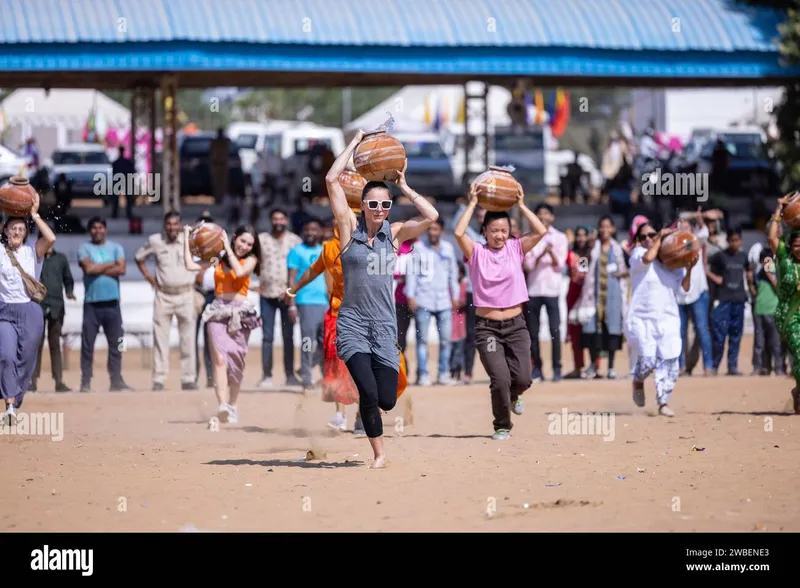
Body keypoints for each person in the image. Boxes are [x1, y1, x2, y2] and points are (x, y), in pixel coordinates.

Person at [325, 129, 438, 468]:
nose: (378, 209)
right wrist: (357, 140)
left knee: (386, 398)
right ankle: (379, 454)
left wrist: (403, 187)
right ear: (363, 206)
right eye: (372, 203)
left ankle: (374, 419)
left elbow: (431, 217)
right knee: (369, 393)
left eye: (384, 204)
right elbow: (332, 179)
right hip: (352, 325)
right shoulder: (349, 230)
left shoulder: (397, 233)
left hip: (385, 328)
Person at [453, 182, 547, 440]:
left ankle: (516, 394)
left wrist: (521, 205)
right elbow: (459, 233)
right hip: (488, 330)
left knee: (524, 377)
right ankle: (502, 425)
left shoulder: (515, 248)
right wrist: (473, 203)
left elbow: (540, 230)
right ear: (484, 231)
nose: (500, 235)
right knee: (500, 379)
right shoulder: (476, 253)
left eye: (504, 231)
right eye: (494, 231)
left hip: (516, 325)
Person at [282, 221, 368, 435]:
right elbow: (315, 272)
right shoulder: (329, 248)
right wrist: (294, 290)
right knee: (336, 365)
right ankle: (340, 415)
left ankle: (361, 416)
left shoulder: (368, 244)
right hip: (337, 315)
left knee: (362, 367)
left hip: (365, 315)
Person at [183, 225, 263, 424]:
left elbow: (240, 271)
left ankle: (233, 404)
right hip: (218, 310)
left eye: (249, 244)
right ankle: (222, 404)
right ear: (235, 238)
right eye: (242, 241)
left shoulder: (251, 260)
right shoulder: (217, 259)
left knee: (237, 362)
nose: (244, 246)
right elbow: (190, 266)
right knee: (218, 359)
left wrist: (226, 246)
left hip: (240, 313)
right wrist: (186, 237)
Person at [626, 223, 694, 416]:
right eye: (643, 236)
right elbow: (648, 258)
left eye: (652, 234)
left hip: (668, 317)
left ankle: (663, 401)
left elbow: (685, 288)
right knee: (647, 361)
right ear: (638, 240)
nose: (648, 239)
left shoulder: (671, 259)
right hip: (641, 318)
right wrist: (660, 236)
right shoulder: (637, 254)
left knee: (669, 360)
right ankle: (638, 380)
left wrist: (689, 268)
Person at [1, 194, 56, 422]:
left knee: (26, 360)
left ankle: (17, 394)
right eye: (13, 228)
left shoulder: (32, 252)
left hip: (30, 311)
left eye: (21, 229)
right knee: (5, 355)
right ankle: (10, 406)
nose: (17, 232)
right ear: (4, 231)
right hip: (4, 311)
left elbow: (50, 237)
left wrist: (34, 214)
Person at [135, 211, 198, 391]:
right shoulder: (156, 241)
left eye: (175, 224)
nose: (172, 227)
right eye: (169, 224)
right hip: (163, 295)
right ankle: (159, 379)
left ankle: (188, 378)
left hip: (186, 294)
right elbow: (139, 258)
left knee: (188, 338)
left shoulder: (189, 240)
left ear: (180, 225)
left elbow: (208, 254)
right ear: (164, 225)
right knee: (160, 339)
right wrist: (149, 278)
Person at [78, 217, 132, 393]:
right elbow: (88, 269)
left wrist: (97, 267)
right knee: (87, 345)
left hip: (113, 304)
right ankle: (86, 381)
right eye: (94, 228)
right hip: (92, 304)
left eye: (100, 227)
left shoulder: (116, 247)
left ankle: (116, 379)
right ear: (90, 231)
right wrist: (111, 264)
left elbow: (122, 270)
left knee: (118, 343)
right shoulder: (84, 247)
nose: (97, 230)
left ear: (105, 230)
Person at [405, 218, 460, 386]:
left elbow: (453, 274)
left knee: (445, 340)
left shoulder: (448, 249)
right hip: (423, 300)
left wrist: (455, 295)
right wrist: (411, 295)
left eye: (435, 229)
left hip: (443, 301)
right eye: (430, 229)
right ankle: (423, 374)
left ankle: (443, 374)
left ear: (441, 231)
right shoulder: (418, 249)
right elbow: (411, 273)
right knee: (422, 340)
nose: (432, 232)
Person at [575, 216, 628, 379]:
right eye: (602, 227)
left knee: (611, 331)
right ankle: (593, 366)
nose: (605, 230)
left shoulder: (618, 249)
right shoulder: (593, 247)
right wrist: (588, 250)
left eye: (608, 226)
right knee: (592, 332)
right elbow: (581, 267)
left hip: (612, 297)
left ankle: (611, 367)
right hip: (594, 296)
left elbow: (627, 270)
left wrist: (619, 274)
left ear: (612, 229)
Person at [256, 209, 302, 388]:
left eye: (281, 218)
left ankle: (290, 375)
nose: (278, 222)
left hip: (287, 294)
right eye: (275, 218)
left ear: (286, 220)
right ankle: (266, 375)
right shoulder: (261, 240)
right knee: (267, 336)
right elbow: (253, 260)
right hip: (266, 293)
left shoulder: (295, 241)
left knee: (288, 336)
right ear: (270, 220)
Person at [522, 203, 568, 382]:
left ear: (552, 217)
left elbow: (560, 265)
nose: (543, 217)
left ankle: (557, 368)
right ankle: (537, 368)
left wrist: (551, 253)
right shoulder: (529, 238)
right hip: (533, 290)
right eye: (539, 214)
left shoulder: (560, 237)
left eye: (546, 214)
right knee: (533, 332)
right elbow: (527, 265)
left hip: (552, 290)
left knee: (555, 330)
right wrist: (543, 253)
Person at [767, 193, 800, 412]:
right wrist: (779, 211)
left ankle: (798, 390)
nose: (799, 248)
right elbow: (772, 237)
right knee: (799, 349)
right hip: (787, 315)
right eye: (796, 244)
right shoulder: (783, 257)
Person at [286, 218, 328, 391]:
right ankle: (307, 379)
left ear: (320, 232)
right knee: (307, 342)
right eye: (308, 229)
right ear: (303, 231)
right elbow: (291, 279)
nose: (311, 232)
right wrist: (292, 304)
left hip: (325, 302)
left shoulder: (325, 250)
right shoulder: (296, 252)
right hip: (305, 301)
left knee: (326, 343)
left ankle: (326, 378)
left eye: (315, 229)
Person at [707, 227, 752, 376]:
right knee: (719, 335)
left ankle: (732, 367)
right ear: (727, 241)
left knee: (736, 335)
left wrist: (751, 283)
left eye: (737, 240)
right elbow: (705, 266)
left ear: (741, 241)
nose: (734, 243)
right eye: (732, 241)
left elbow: (749, 270)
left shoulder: (744, 256)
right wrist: (715, 278)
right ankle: (714, 366)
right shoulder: (720, 256)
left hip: (739, 300)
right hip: (723, 300)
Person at [31, 242, 75, 392]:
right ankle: (32, 381)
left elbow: (68, 278)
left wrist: (69, 291)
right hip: (38, 305)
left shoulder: (60, 258)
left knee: (55, 343)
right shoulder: (32, 258)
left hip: (57, 305)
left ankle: (58, 381)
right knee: (36, 344)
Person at [750, 247, 783, 376]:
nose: (766, 264)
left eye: (768, 261)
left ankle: (779, 368)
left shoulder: (777, 272)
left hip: (773, 310)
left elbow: (779, 289)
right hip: (759, 310)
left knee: (775, 342)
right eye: (763, 261)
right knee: (759, 342)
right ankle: (758, 367)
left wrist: (769, 275)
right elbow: (755, 292)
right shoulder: (758, 275)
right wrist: (750, 283)